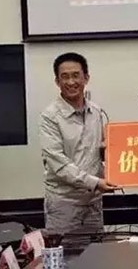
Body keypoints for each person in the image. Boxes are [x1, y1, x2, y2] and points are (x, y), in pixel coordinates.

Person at [39, 52, 117, 250]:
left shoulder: (96, 112)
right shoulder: (50, 117)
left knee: (97, 260)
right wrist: (96, 183)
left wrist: (126, 164)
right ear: (57, 81)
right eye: (64, 77)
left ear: (86, 78)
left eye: (76, 75)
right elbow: (59, 165)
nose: (71, 82)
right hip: (65, 205)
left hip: (93, 204)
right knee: (65, 262)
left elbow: (99, 153)